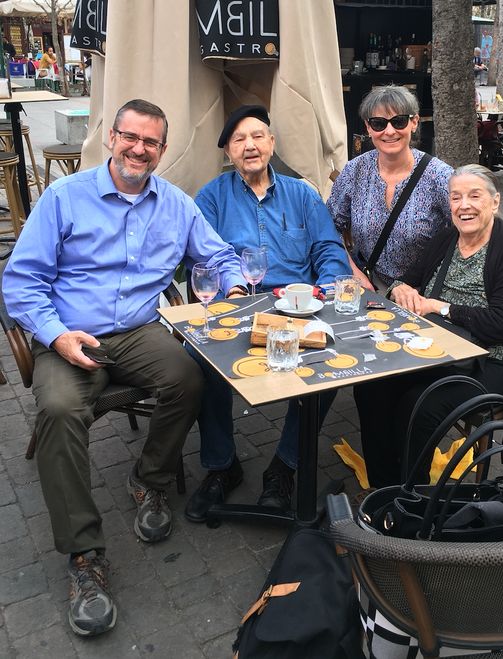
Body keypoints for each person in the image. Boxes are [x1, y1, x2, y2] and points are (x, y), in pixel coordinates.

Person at [2, 99, 247, 637]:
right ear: (112, 137)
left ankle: (149, 479)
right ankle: (85, 556)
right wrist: (58, 336)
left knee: (191, 376)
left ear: (162, 149)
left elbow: (219, 256)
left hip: (137, 331)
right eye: (130, 137)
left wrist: (234, 284)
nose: (139, 149)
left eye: (151, 142)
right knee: (61, 412)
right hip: (68, 332)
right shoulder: (65, 198)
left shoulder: (176, 204)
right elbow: (19, 283)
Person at [185, 105, 351, 521]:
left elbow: (329, 250)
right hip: (237, 306)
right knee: (198, 359)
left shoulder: (302, 193)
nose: (250, 146)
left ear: (272, 143)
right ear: (229, 153)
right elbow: (199, 259)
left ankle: (286, 465)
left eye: (257, 136)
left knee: (332, 359)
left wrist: (328, 289)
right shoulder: (212, 196)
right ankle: (222, 465)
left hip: (299, 306)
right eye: (239, 140)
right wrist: (230, 289)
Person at [354, 164, 503, 487]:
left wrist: (439, 307)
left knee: (420, 405)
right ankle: (385, 489)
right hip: (437, 349)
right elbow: (409, 279)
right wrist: (400, 287)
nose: (463, 205)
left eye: (474, 196)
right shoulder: (446, 238)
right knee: (371, 387)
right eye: (456, 197)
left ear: (494, 203)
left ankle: (410, 501)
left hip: (490, 359)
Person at [327, 85, 452, 293]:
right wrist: (354, 273)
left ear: (414, 122)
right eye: (378, 123)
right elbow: (329, 226)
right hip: (370, 287)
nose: (390, 131)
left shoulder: (440, 176)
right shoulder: (355, 171)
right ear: (368, 128)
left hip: (422, 293)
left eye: (399, 121)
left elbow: (466, 234)